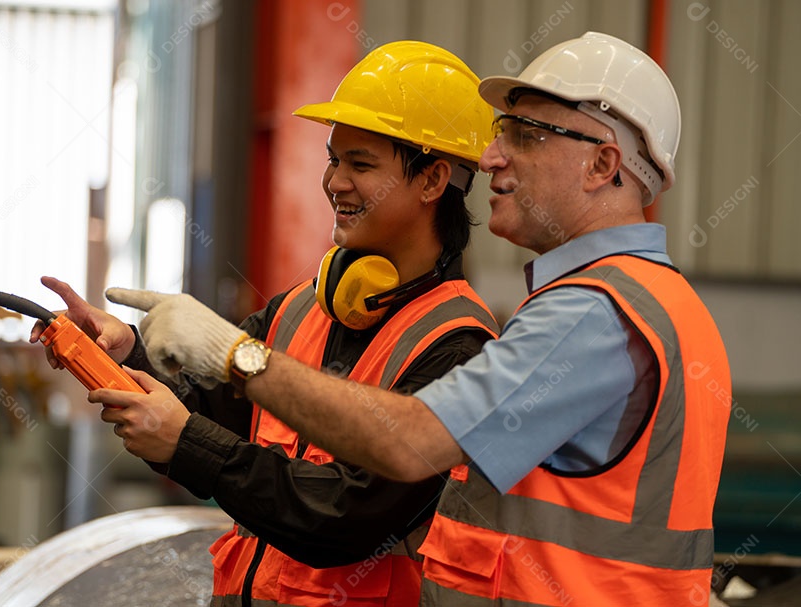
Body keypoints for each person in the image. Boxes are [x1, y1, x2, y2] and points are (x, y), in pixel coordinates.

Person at [99, 32, 731, 606]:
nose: (490, 159)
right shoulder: (652, 303)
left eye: (526, 136)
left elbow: (405, 447)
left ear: (603, 165)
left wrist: (233, 354)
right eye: (501, 133)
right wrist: (131, 355)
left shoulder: (592, 314)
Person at [36, 41, 500, 607]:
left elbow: (346, 516)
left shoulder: (459, 346)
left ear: (432, 180)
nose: (334, 182)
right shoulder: (300, 310)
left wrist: (185, 442)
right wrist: (123, 353)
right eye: (334, 159)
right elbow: (206, 408)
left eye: (361, 164)